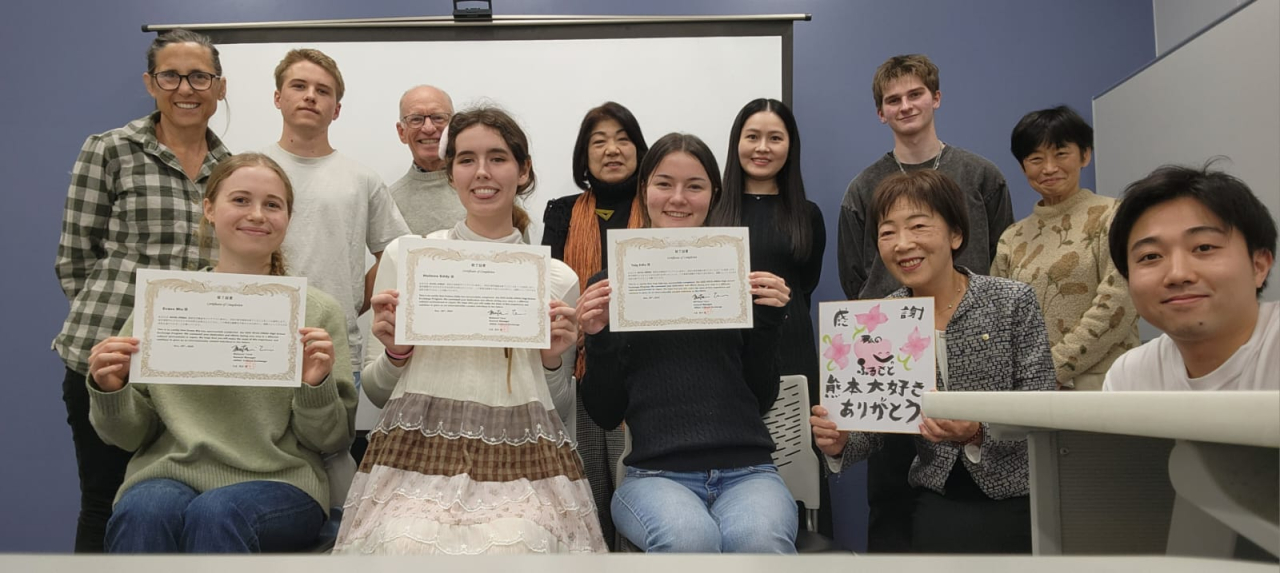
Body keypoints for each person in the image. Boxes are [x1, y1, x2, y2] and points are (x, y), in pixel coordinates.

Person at [334, 107, 606, 554]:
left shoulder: (556, 279)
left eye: (498, 158)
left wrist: (553, 360)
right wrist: (397, 353)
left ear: (523, 171)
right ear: (451, 172)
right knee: (402, 545)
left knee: (515, 546)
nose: (482, 172)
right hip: (416, 456)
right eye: (466, 159)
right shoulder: (409, 259)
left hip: (522, 465)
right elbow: (379, 394)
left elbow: (556, 405)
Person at [86, 153, 357, 553]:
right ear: (210, 209)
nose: (257, 215)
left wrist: (313, 384)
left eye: (272, 204)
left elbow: (331, 438)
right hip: (168, 474)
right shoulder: (164, 302)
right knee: (144, 511)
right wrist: (110, 389)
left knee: (217, 511)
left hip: (282, 481)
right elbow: (129, 437)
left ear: (288, 217)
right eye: (241, 200)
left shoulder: (316, 312)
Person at [53, 28, 233, 552]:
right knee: (103, 501)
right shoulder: (109, 149)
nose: (186, 88)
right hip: (108, 359)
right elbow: (75, 257)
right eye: (171, 75)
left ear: (219, 87)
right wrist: (120, 329)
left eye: (200, 76)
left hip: (189, 368)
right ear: (150, 83)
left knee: (164, 503)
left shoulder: (233, 167)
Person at [812, 169, 1055, 554]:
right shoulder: (881, 318)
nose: (903, 244)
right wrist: (841, 441)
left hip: (1021, 490)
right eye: (887, 232)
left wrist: (977, 430)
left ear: (955, 234)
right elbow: (878, 419)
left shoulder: (1011, 301)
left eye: (918, 226)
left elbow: (1042, 405)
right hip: (936, 490)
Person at [578, 133, 798, 553]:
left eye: (694, 186)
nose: (678, 198)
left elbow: (762, 396)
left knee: (759, 540)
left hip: (748, 472)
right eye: (664, 183)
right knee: (688, 540)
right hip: (654, 477)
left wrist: (768, 324)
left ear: (713, 194)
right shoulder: (611, 285)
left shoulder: (741, 277)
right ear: (644, 191)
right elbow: (606, 414)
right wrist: (598, 337)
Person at [835, 53, 1015, 553]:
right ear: (880, 113)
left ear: (936, 98)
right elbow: (855, 277)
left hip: (973, 343)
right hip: (888, 355)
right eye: (893, 100)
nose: (905, 105)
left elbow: (1004, 256)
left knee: (978, 484)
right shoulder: (861, 188)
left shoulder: (981, 175)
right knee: (891, 496)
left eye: (915, 94)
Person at [261, 48, 410, 509]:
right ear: (277, 97)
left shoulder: (360, 179)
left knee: (330, 462)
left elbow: (397, 252)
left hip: (335, 345)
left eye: (322, 91)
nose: (310, 97)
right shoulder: (252, 169)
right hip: (256, 338)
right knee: (259, 460)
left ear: (337, 108)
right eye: (299, 87)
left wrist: (353, 299)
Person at [713, 97, 828, 534]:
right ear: (736, 143)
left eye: (775, 138)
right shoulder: (714, 209)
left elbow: (807, 283)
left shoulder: (807, 214)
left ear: (790, 146)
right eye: (752, 136)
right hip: (727, 350)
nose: (763, 147)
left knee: (796, 457)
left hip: (793, 346)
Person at [541, 101, 649, 548]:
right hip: (579, 371)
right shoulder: (563, 212)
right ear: (583, 155)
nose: (612, 149)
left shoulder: (663, 205)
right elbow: (549, 291)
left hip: (645, 372)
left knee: (637, 495)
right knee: (590, 491)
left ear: (640, 149)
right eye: (598, 141)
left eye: (623, 139)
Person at [991, 106, 1138, 391]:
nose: (1048, 168)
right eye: (1035, 158)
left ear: (1085, 155)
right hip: (1032, 391)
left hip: (1104, 385)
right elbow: (1000, 316)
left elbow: (1119, 304)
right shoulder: (1013, 237)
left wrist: (1050, 369)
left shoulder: (1115, 216)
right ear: (1023, 167)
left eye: (1061, 154)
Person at [1103, 164, 1277, 391]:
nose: (1178, 274)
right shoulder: (1129, 376)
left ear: (1259, 266)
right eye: (1150, 256)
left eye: (1204, 247)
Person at [388, 85, 465, 235]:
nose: (428, 128)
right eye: (416, 119)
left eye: (438, 118)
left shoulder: (487, 189)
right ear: (401, 132)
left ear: (454, 127)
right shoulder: (389, 202)